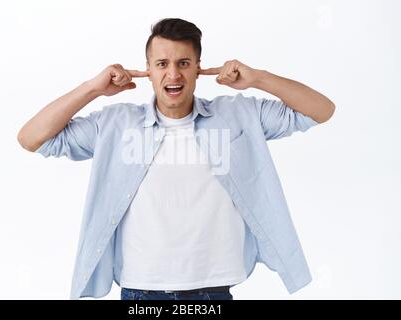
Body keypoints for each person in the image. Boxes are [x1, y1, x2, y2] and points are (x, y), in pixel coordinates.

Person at [17, 18, 335, 300]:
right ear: (147, 70)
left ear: (199, 67)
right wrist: (92, 89)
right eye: (161, 64)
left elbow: (321, 110)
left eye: (184, 63)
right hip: (140, 292)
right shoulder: (116, 124)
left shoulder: (238, 115)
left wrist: (258, 79)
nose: (173, 73)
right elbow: (32, 138)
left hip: (213, 291)